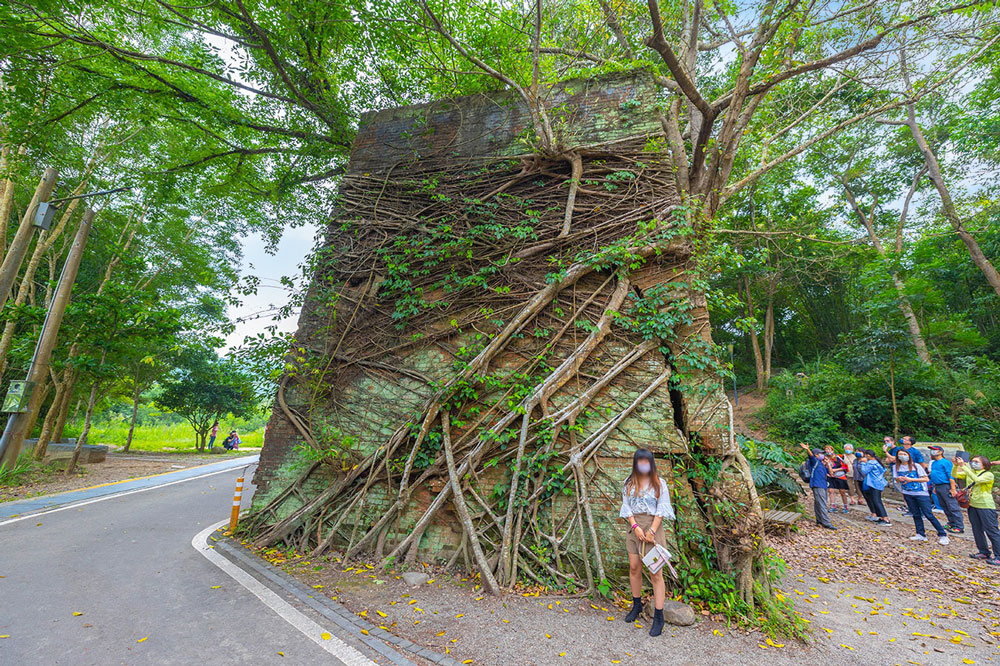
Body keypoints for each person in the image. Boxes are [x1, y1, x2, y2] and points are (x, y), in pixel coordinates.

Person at [619, 448, 675, 637]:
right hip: (634, 529)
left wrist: (651, 531)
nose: (643, 465)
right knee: (634, 567)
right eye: (640, 461)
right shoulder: (629, 483)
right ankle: (637, 605)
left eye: (646, 461)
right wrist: (635, 527)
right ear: (636, 463)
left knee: (655, 573)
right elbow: (627, 507)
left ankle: (659, 616)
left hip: (653, 530)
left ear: (651, 463)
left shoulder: (659, 483)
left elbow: (662, 509)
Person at [893, 449, 949, 545]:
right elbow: (895, 480)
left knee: (928, 514)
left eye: (904, 454)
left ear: (908, 455)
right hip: (907, 493)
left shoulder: (916, 466)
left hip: (921, 493)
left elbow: (926, 479)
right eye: (900, 454)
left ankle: (942, 534)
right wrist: (898, 479)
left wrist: (911, 479)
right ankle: (920, 534)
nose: (902, 456)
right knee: (915, 514)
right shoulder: (896, 467)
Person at [952, 456, 1000, 565]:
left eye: (976, 462)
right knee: (976, 529)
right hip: (972, 505)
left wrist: (963, 466)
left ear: (984, 464)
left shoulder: (988, 474)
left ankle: (998, 556)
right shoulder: (971, 472)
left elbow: (977, 480)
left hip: (985, 506)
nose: (973, 463)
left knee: (991, 530)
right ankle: (983, 552)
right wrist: (955, 466)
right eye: (972, 461)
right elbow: (955, 475)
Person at [927, 446, 964, 534]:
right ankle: (951, 523)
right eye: (932, 450)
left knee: (952, 506)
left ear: (941, 452)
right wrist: (935, 486)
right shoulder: (934, 463)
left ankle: (959, 526)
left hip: (946, 486)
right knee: (945, 506)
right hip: (938, 486)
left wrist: (953, 488)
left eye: (935, 450)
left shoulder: (946, 462)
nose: (932, 451)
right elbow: (934, 474)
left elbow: (951, 476)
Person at [799, 443, 835, 530]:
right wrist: (808, 449)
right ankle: (826, 522)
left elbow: (831, 473)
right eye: (820, 453)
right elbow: (811, 456)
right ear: (816, 455)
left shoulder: (821, 464)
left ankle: (819, 520)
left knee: (819, 503)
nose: (823, 455)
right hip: (817, 484)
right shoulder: (814, 461)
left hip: (823, 485)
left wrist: (828, 464)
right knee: (822, 503)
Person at [858, 450, 890, 525]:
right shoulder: (877, 462)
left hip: (874, 483)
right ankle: (881, 517)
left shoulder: (871, 463)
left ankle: (885, 518)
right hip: (878, 482)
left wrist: (863, 463)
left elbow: (864, 471)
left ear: (868, 455)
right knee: (876, 500)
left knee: (877, 501)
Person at [824, 445, 851, 513]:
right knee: (831, 491)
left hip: (840, 476)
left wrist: (835, 470)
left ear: (832, 450)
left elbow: (845, 467)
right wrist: (827, 473)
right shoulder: (825, 458)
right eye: (826, 449)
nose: (827, 451)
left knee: (842, 491)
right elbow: (823, 466)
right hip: (830, 476)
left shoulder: (839, 457)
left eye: (829, 449)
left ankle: (845, 507)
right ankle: (833, 506)